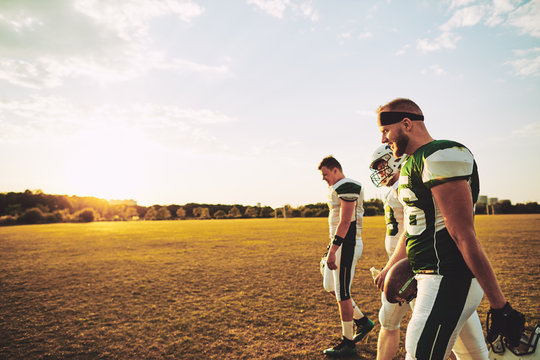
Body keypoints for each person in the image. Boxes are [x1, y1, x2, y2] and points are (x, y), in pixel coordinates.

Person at [373, 98, 524, 360]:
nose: (384, 140)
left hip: (448, 277)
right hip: (431, 276)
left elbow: (463, 234)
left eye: (386, 131)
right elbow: (412, 228)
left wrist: (500, 305)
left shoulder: (442, 154)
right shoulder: (411, 164)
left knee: (418, 353)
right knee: (474, 356)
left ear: (407, 124)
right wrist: (390, 267)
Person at [318, 155, 374, 357]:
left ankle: (348, 343)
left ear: (335, 169)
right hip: (339, 243)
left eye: (325, 174)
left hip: (346, 245)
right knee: (330, 286)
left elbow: (346, 222)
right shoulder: (338, 187)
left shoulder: (348, 185)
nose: (324, 178)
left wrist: (334, 250)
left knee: (342, 292)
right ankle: (362, 321)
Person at [369, 144, 412, 360]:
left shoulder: (406, 187)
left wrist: (389, 268)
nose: (379, 172)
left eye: (381, 166)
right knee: (387, 321)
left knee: (433, 328)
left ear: (395, 160)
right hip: (398, 266)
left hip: (410, 268)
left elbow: (410, 230)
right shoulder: (394, 189)